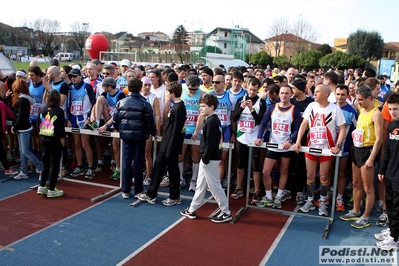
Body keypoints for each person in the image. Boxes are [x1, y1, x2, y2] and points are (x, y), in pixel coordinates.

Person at [293, 84, 346, 216]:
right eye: (314, 92)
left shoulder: (335, 109)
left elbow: (343, 129)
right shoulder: (311, 106)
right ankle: (310, 200)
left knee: (323, 176)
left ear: (326, 94)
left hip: (326, 150)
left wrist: (337, 145)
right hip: (311, 148)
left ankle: (323, 202)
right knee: (310, 175)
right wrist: (298, 141)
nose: (314, 94)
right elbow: (304, 124)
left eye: (317, 92)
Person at [180, 93, 232, 223]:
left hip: (210, 159)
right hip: (208, 158)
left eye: (203, 106)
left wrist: (205, 158)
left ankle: (226, 211)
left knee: (214, 186)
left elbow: (211, 143)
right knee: (201, 185)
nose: (200, 109)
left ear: (212, 107)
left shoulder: (211, 122)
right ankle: (192, 209)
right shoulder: (211, 120)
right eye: (200, 106)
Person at [340, 86, 383, 228]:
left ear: (369, 98)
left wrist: (371, 158)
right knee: (356, 183)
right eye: (357, 99)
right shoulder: (361, 110)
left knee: (368, 187)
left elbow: (379, 139)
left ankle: (366, 216)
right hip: (357, 150)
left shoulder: (376, 114)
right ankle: (356, 210)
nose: (357, 102)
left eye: (360, 99)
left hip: (367, 151)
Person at [138, 81, 186, 205]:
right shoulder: (174, 106)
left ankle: (175, 196)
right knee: (158, 166)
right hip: (166, 144)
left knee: (173, 170)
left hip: (171, 145)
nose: (166, 95)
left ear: (173, 93)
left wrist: (170, 147)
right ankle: (151, 193)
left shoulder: (179, 107)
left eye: (168, 93)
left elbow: (177, 130)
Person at [255, 85, 301, 209]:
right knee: (265, 172)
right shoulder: (272, 108)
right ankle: (269, 197)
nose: (284, 95)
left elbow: (297, 128)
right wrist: (259, 137)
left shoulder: (294, 110)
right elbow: (263, 123)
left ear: (291, 95)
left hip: (286, 146)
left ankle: (279, 196)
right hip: (273, 144)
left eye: (286, 93)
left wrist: (290, 141)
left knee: (284, 170)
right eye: (282, 93)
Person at [112, 78, 156, 198]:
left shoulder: (121, 102)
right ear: (140, 88)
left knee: (126, 162)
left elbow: (115, 120)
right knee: (138, 163)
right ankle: (138, 190)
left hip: (126, 136)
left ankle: (125, 190)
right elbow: (150, 122)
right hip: (140, 137)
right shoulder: (145, 103)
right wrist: (152, 132)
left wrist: (121, 129)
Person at [231, 77, 266, 204]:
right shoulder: (241, 99)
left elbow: (261, 121)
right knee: (240, 163)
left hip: (254, 138)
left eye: (255, 90)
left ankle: (256, 191)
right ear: (247, 87)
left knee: (255, 165)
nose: (252, 92)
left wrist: (251, 109)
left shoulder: (261, 102)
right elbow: (234, 117)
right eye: (250, 89)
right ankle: (239, 187)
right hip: (241, 136)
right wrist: (241, 108)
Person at [375, 93, 399, 250]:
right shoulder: (391, 125)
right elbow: (388, 150)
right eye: (390, 109)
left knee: (397, 207)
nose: (392, 112)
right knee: (389, 205)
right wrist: (382, 169)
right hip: (389, 173)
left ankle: (395, 239)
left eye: (396, 109)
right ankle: (393, 230)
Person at [94, 77, 126, 180]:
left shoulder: (121, 95)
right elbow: (96, 105)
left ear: (109, 87)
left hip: (117, 120)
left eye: (103, 86)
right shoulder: (104, 94)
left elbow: (118, 113)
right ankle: (97, 122)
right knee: (100, 99)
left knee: (115, 146)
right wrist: (92, 116)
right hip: (108, 118)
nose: (101, 88)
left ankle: (118, 169)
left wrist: (108, 125)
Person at [67, 68, 96, 179]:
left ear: (80, 76)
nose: (73, 79)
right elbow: (68, 104)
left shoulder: (87, 87)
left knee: (85, 144)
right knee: (77, 144)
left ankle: (90, 167)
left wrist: (90, 118)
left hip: (84, 118)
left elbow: (94, 103)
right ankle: (79, 166)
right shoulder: (70, 88)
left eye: (75, 76)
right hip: (73, 118)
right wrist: (69, 119)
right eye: (71, 77)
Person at [178, 75, 205, 191]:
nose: (193, 91)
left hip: (195, 128)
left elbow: (201, 115)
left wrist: (197, 131)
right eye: (191, 89)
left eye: (195, 89)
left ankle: (194, 179)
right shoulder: (181, 90)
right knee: (180, 155)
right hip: (183, 128)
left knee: (195, 155)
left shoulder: (202, 94)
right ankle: (180, 178)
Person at [11, 80, 43, 180]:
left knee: (25, 150)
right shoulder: (22, 99)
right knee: (22, 151)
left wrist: (14, 126)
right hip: (22, 128)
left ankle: (41, 168)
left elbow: (21, 116)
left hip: (24, 128)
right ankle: (23, 171)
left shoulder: (23, 100)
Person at [36, 90, 66, 197]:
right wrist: (63, 142)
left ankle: (42, 186)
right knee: (54, 164)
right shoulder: (59, 111)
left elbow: (37, 123)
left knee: (45, 162)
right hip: (55, 140)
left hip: (44, 138)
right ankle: (52, 189)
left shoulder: (42, 109)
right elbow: (60, 128)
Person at [333, 85, 358, 212]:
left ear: (347, 95)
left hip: (344, 148)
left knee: (341, 172)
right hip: (328, 147)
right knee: (327, 172)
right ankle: (326, 196)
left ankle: (340, 197)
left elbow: (355, 130)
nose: (340, 97)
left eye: (343, 94)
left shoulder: (352, 111)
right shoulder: (329, 107)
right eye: (338, 94)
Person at [0, 100, 18, 176]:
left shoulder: (1, 104)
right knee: (0, 150)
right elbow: (11, 114)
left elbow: (10, 114)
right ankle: (7, 169)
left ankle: (7, 168)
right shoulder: (1, 104)